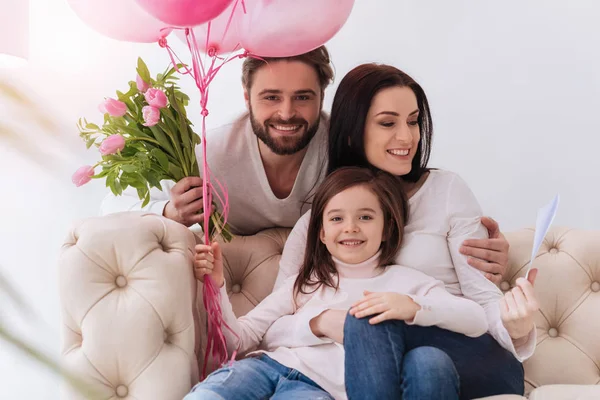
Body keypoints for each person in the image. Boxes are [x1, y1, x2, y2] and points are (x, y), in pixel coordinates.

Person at [100, 46, 509, 283]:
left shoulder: (345, 148)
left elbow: (411, 202)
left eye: (303, 97)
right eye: (271, 97)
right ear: (246, 96)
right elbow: (108, 214)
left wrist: (479, 248)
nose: (287, 112)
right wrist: (171, 211)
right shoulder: (213, 152)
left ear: (322, 96)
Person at [262, 63, 539, 399]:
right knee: (421, 361)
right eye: (388, 123)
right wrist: (319, 322)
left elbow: (482, 298)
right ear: (352, 131)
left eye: (412, 121)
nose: (407, 137)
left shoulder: (447, 190)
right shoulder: (318, 224)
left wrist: (517, 327)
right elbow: (276, 319)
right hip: (395, 369)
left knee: (368, 321)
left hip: (470, 357)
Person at [185, 167, 492, 400]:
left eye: (366, 217)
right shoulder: (303, 283)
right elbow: (240, 340)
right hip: (264, 367)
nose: (351, 228)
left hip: (318, 390)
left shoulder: (407, 282)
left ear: (387, 228)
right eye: (336, 219)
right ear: (320, 233)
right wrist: (218, 285)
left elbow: (477, 320)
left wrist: (413, 307)